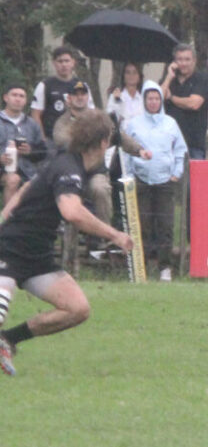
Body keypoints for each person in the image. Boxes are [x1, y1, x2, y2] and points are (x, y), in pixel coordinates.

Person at [0, 109, 134, 377]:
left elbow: (28, 187)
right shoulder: (69, 168)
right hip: (9, 250)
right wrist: (114, 234)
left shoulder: (68, 161)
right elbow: (71, 211)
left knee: (77, 309)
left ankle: (8, 340)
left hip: (37, 258)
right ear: (103, 142)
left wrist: (4, 214)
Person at [53, 82, 148, 228]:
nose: (80, 98)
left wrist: (139, 150)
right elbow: (61, 140)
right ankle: (70, 242)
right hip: (71, 172)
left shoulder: (98, 117)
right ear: (69, 99)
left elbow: (117, 135)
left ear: (87, 97)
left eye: (83, 94)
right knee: (69, 196)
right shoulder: (62, 122)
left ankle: (104, 236)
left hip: (95, 172)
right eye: (76, 95)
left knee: (100, 188)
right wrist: (91, 139)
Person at [124, 81, 187, 282]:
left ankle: (165, 267)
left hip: (165, 181)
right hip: (141, 181)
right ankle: (141, 266)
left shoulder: (170, 123)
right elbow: (126, 151)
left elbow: (180, 150)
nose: (153, 102)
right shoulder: (133, 124)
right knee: (142, 224)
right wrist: (130, 175)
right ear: (144, 100)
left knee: (166, 225)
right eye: (149, 98)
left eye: (156, 98)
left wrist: (176, 173)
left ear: (161, 100)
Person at [30, 45, 94, 143]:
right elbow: (35, 114)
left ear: (73, 62)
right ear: (54, 63)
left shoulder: (83, 86)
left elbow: (90, 113)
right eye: (60, 61)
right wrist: (42, 140)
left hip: (76, 140)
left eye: (67, 61)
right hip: (51, 140)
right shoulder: (45, 85)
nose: (64, 64)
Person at [160, 44, 208, 160]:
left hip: (194, 145)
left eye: (187, 59)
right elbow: (157, 99)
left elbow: (194, 104)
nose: (183, 63)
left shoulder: (202, 79)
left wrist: (171, 98)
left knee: (194, 178)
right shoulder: (169, 80)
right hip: (169, 144)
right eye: (179, 59)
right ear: (174, 61)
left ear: (194, 61)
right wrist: (169, 76)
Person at [0, 85, 46, 202]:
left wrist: (30, 151)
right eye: (14, 95)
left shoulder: (31, 124)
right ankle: (8, 219)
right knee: (13, 179)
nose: (18, 99)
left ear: (25, 101)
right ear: (6, 98)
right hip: (3, 172)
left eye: (22, 96)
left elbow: (43, 152)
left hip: (28, 172)